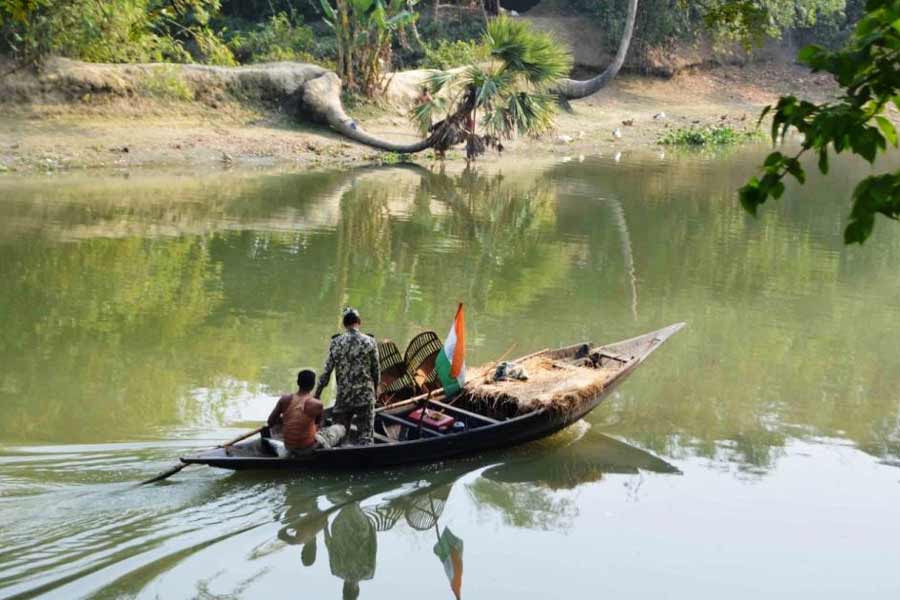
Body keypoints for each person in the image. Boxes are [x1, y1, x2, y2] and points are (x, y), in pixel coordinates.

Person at [314, 307, 380, 446]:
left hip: (344, 397)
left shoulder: (336, 342)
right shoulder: (370, 342)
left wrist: (317, 395)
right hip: (365, 397)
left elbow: (326, 372)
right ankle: (365, 461)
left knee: (338, 435)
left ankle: (339, 458)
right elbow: (376, 371)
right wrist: (376, 391)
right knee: (366, 438)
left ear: (344, 324)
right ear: (359, 322)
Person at [267, 369, 323, 453]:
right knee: (339, 429)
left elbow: (270, 422)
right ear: (313, 385)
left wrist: (285, 418)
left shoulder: (284, 399)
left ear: (298, 382)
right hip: (307, 448)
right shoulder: (317, 404)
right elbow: (318, 425)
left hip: (288, 446)